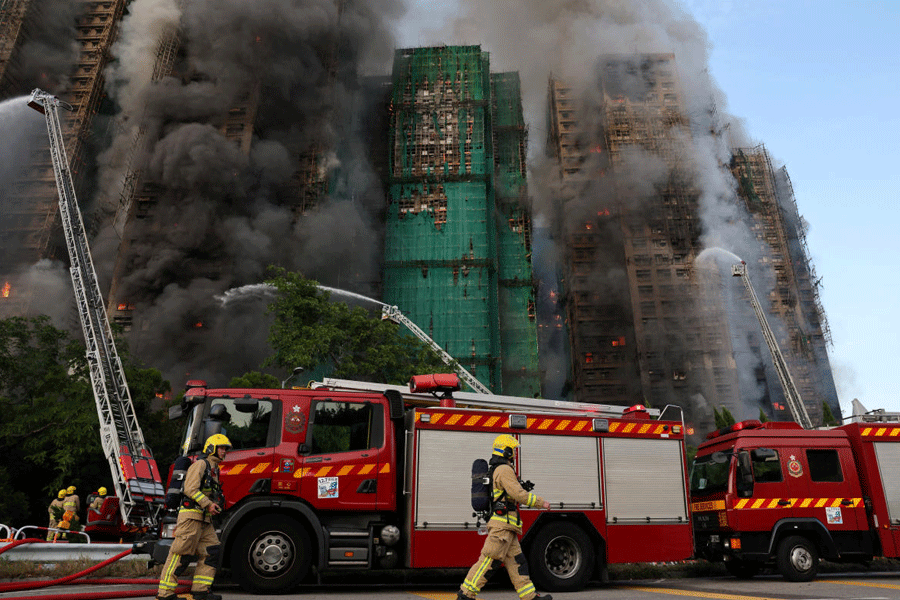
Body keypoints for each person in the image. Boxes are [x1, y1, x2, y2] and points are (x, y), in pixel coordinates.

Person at [458, 434, 554, 600]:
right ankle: (465, 595)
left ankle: (530, 596)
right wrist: (541, 502)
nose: (514, 453)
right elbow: (518, 494)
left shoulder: (499, 469)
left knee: (517, 564)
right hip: (502, 527)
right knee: (489, 561)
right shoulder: (504, 469)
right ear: (506, 450)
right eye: (513, 450)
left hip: (507, 527)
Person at [156, 434, 231, 600]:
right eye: (222, 448)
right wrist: (208, 504)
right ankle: (165, 594)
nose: (225, 452)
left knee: (212, 551)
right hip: (191, 517)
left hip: (204, 519)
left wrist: (215, 503)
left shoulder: (214, 469)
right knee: (180, 553)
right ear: (211, 448)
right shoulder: (200, 465)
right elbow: (190, 489)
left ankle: (200, 590)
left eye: (226, 449)